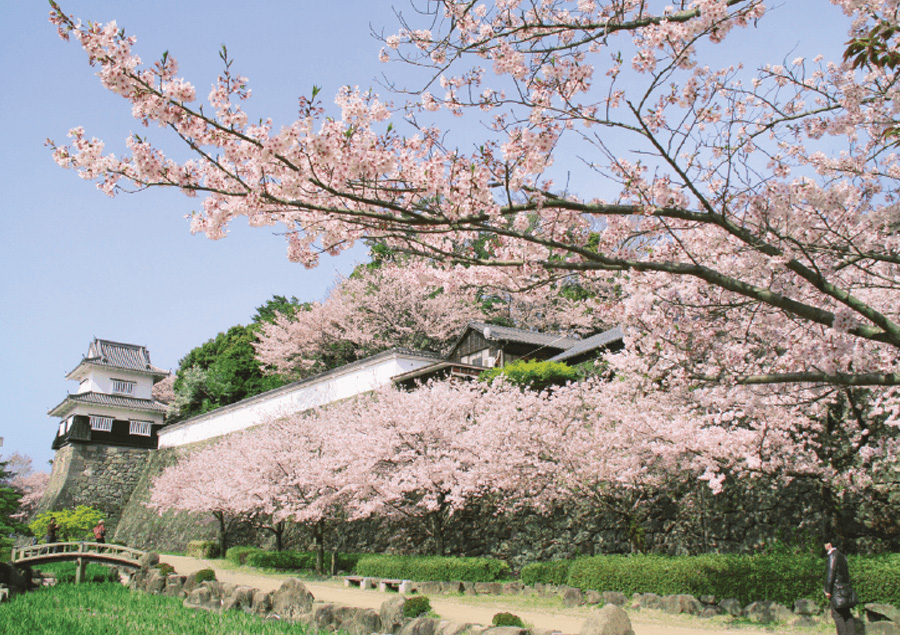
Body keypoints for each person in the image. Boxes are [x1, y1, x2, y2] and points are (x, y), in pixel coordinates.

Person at [824, 539, 856, 635]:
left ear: (829, 544)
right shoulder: (842, 555)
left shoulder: (832, 556)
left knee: (837, 615)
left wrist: (827, 590)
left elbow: (831, 574)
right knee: (847, 615)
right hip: (845, 589)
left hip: (837, 591)